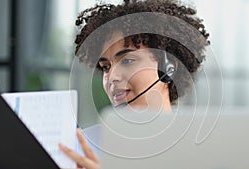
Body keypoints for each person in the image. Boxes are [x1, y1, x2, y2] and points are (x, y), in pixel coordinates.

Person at [59, 0, 210, 168]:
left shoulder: (203, 145)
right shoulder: (80, 147)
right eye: (106, 67)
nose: (112, 77)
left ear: (168, 68)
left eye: (128, 60)